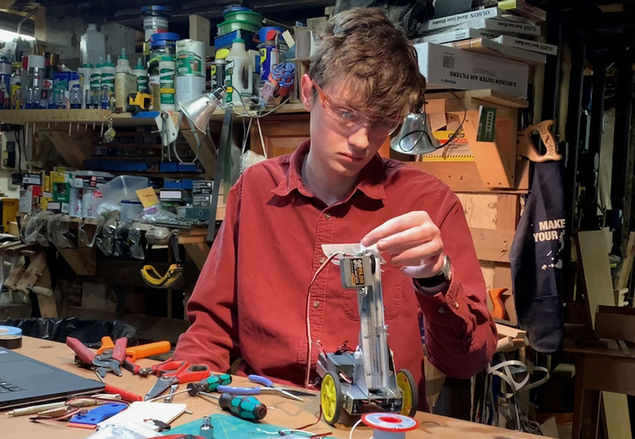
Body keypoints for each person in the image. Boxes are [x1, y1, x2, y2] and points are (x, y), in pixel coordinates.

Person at [174, 7, 497, 407]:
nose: (362, 140)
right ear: (309, 92)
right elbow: (210, 327)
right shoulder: (255, 191)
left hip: (377, 426)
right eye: (346, 114)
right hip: (266, 415)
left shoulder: (427, 205)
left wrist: (436, 278)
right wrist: (181, 404)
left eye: (382, 122)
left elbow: (469, 362)